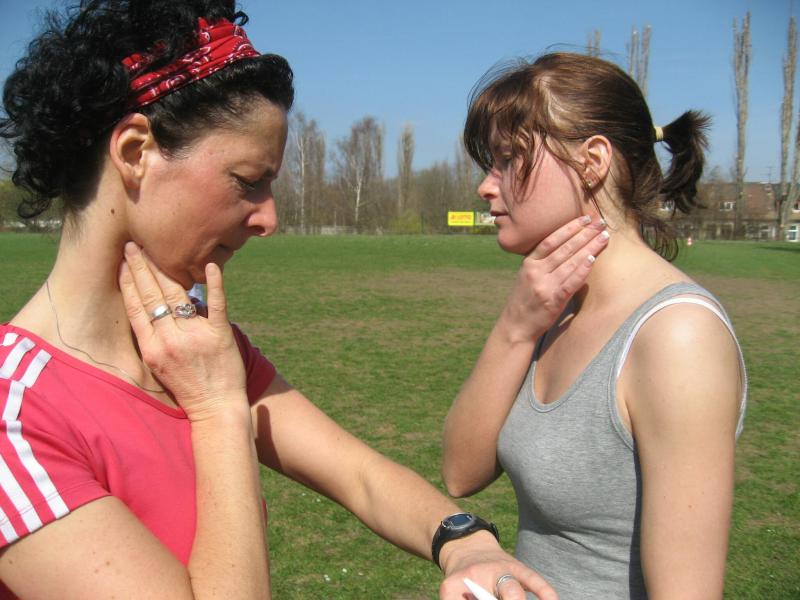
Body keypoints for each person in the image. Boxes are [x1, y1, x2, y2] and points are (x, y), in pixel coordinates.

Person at [0, 2, 557, 598]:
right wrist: (217, 409)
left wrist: (464, 542)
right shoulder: (16, 418)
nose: (269, 219)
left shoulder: (194, 346)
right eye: (248, 181)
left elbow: (359, 474)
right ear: (136, 153)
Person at [442, 53, 747, 599]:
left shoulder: (678, 335)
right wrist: (514, 328)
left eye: (508, 159)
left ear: (592, 161)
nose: (486, 187)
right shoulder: (552, 309)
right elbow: (461, 472)